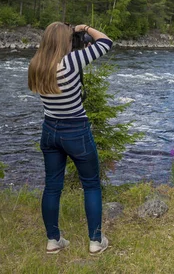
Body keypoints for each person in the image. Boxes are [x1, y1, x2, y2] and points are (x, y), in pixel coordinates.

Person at [28, 22, 113, 254]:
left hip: (49, 130)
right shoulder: (71, 62)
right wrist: (84, 28)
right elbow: (106, 42)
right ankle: (96, 241)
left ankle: (53, 240)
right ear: (65, 41)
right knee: (91, 184)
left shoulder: (36, 64)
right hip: (76, 129)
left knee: (53, 187)